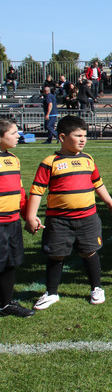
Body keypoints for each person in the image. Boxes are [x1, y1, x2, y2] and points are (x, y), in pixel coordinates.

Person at [24, 115, 112, 310]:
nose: (83, 139)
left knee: (89, 251)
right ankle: (51, 293)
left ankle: (96, 288)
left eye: (84, 135)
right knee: (56, 255)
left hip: (88, 218)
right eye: (78, 135)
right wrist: (30, 216)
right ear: (62, 137)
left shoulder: (88, 159)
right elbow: (37, 190)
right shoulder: (50, 162)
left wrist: (110, 203)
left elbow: (98, 183)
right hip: (59, 220)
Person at [0, 118, 34, 317]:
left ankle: (6, 303)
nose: (18, 136)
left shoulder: (13, 158)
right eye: (13, 133)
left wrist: (28, 216)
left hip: (12, 222)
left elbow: (20, 191)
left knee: (10, 262)